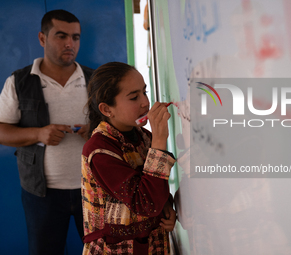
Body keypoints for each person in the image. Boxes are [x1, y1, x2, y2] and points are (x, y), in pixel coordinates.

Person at [0, 9, 94, 255]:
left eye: (75, 37)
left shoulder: (95, 80)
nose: (69, 43)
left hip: (94, 189)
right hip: (41, 193)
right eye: (61, 36)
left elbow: (118, 125)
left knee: (102, 251)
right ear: (42, 38)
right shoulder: (20, 82)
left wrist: (96, 131)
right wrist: (39, 134)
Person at [82, 62, 176, 254]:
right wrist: (159, 139)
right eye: (134, 97)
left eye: (144, 92)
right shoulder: (99, 151)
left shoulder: (143, 136)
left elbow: (156, 190)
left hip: (152, 244)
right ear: (107, 110)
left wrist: (166, 206)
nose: (145, 102)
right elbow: (145, 202)